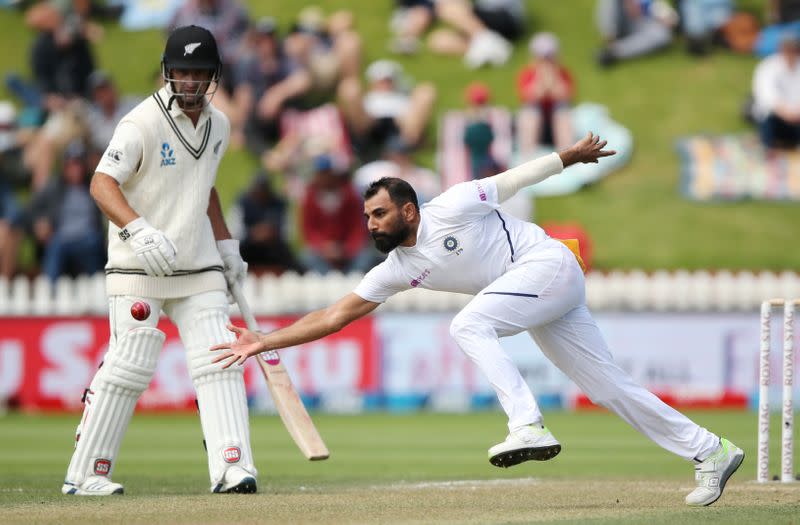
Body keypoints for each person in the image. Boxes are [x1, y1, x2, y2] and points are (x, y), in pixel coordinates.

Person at [211, 132, 744, 507]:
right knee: (608, 388)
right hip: (539, 293)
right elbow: (334, 316)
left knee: (468, 324)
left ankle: (526, 425)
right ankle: (710, 451)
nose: (371, 224)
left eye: (379, 214)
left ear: (409, 210)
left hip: (549, 263)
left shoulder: (454, 204)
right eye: (367, 216)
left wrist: (571, 156)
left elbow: (515, 179)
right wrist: (263, 340)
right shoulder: (396, 268)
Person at [61, 25, 257, 496]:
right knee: (131, 363)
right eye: (183, 72)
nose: (190, 82)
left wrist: (226, 246)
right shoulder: (139, 124)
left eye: (199, 73)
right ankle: (87, 473)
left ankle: (231, 466)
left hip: (198, 266)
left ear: (213, 76)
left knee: (221, 361)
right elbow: (102, 183)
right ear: (168, 73)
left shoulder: (221, 125)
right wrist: (138, 228)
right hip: (139, 265)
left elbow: (203, 186)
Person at [516, 32, 576, 155]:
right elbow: (530, 96)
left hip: (556, 127)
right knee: (530, 113)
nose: (546, 62)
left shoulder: (563, 74)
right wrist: (542, 81)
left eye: (550, 57)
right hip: (537, 127)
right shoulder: (527, 75)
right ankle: (528, 156)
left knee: (563, 112)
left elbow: (565, 95)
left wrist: (553, 79)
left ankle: (567, 154)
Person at [752, 32, 800, 150]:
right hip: (776, 115)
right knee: (768, 119)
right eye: (787, 50)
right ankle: (769, 148)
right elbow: (766, 95)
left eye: (793, 50)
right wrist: (785, 112)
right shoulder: (768, 66)